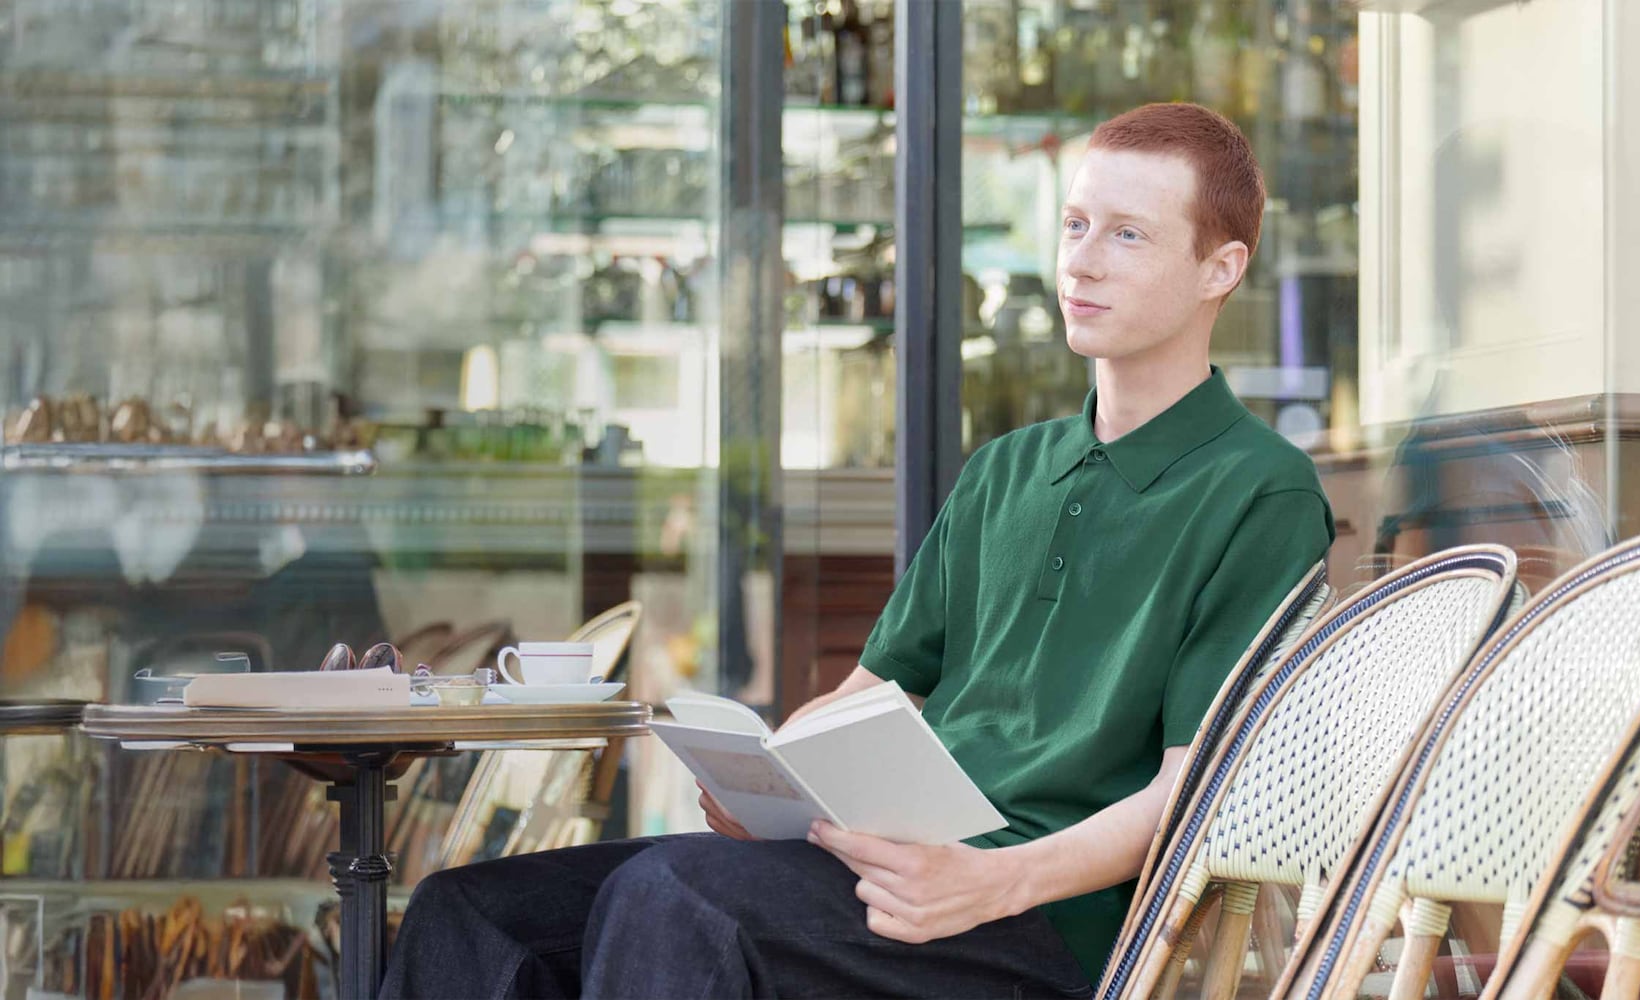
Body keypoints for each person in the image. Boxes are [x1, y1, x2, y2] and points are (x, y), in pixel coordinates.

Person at [380, 102, 1336, 1000]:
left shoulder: (1261, 490)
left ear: (1222, 268)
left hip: (1045, 918)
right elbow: (877, 691)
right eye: (1076, 225)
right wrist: (773, 779)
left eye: (1128, 234)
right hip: (883, 863)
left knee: (679, 894)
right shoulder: (1008, 468)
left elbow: (1201, 788)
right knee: (471, 913)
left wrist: (992, 883)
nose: (1082, 263)